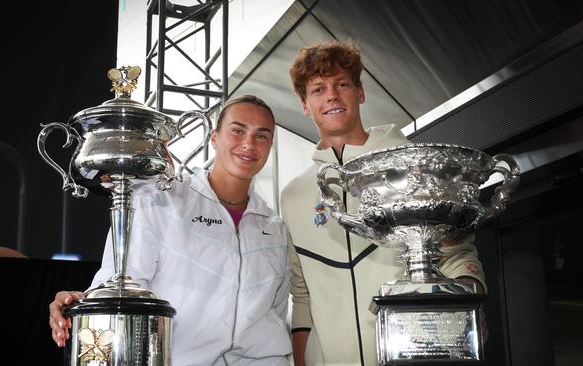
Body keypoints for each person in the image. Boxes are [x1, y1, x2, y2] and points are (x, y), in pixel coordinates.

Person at [280, 41, 487, 366]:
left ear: (360, 92)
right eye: (318, 89)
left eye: (342, 84)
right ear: (305, 104)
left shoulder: (413, 166)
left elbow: (456, 252)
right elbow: (302, 293)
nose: (332, 95)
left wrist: (469, 302)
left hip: (416, 355)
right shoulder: (293, 196)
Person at [49, 95, 292, 365]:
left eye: (262, 136)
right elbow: (120, 283)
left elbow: (277, 309)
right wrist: (81, 302)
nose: (248, 144)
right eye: (237, 130)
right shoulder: (162, 201)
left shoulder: (274, 227)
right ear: (214, 138)